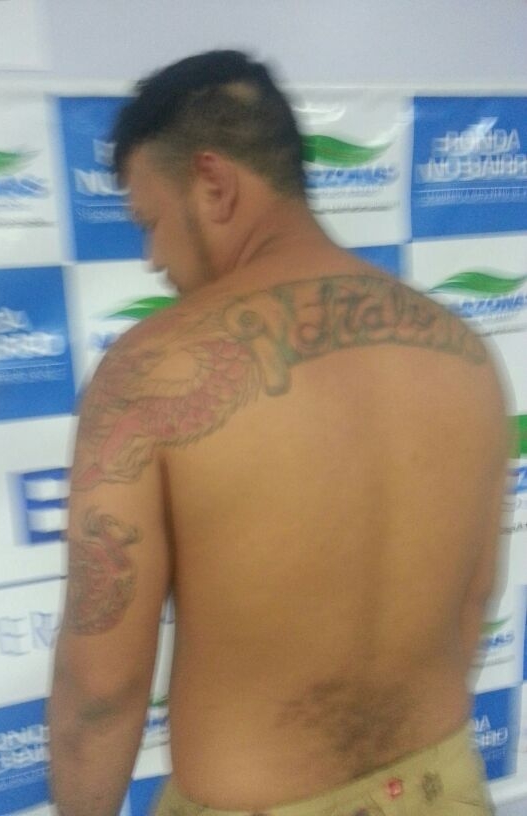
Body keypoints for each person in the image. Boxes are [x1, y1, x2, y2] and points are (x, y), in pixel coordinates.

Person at [48, 50, 509, 816]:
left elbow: (101, 690)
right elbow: (473, 598)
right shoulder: (462, 351)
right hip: (443, 788)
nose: (153, 258)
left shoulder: (148, 374)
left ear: (214, 183)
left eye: (150, 223)